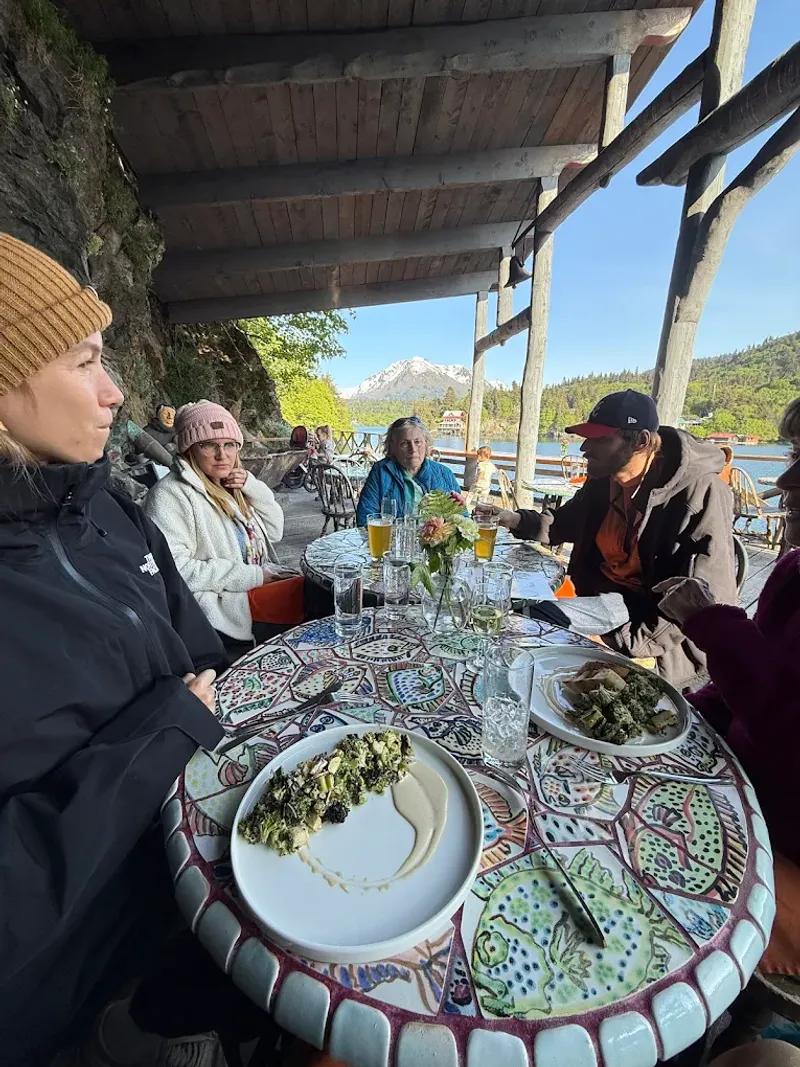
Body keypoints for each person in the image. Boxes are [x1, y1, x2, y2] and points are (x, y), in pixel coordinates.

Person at [0, 234, 228, 1065]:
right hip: (70, 992)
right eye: (86, 361)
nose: (116, 391)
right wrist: (163, 735)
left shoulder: (109, 509)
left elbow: (203, 659)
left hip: (191, 890)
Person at [655, 399, 800, 917]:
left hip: (776, 838)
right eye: (795, 454)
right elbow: (750, 687)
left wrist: (712, 625)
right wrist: (677, 716)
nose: (786, 483)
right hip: (733, 779)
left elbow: (788, 730)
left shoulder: (700, 497)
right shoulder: (792, 570)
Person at [492, 390, 737, 687]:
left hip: (656, 631)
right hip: (610, 602)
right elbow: (564, 523)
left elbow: (701, 599)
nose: (585, 448)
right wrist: (514, 519)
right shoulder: (603, 481)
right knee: (521, 613)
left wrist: (619, 645)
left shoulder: (700, 493)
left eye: (600, 439)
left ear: (642, 442)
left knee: (544, 644)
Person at [145, 401, 299, 662]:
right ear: (189, 449)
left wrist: (253, 487)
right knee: (311, 602)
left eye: (229, 444)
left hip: (252, 592)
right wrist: (254, 576)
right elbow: (175, 570)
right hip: (220, 613)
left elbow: (275, 531)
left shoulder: (231, 486)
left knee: (320, 593)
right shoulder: (170, 496)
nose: (222, 455)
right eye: (209, 445)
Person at [356, 416, 460, 525]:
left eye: (417, 442)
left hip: (435, 541)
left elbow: (462, 521)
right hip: (392, 541)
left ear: (426, 444)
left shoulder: (444, 474)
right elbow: (364, 518)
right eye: (404, 444)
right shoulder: (381, 471)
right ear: (393, 448)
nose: (413, 449)